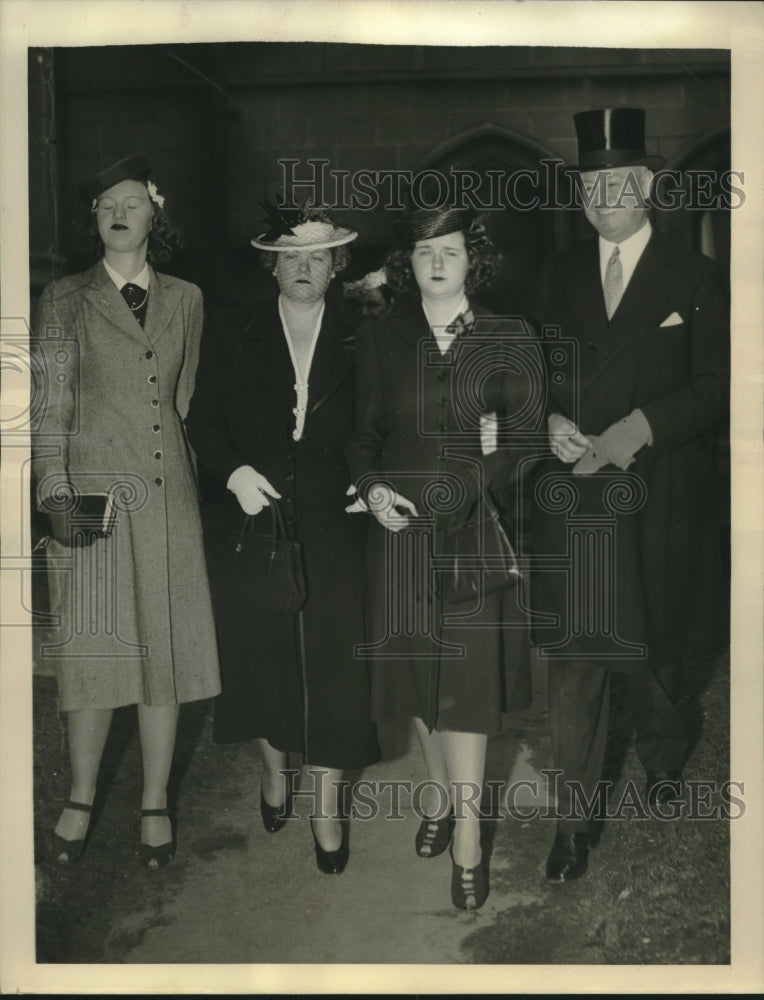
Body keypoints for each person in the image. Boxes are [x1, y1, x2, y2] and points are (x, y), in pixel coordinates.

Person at [529, 108, 729, 882]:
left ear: (647, 187)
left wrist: (633, 430)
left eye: (617, 182)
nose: (602, 195)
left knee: (657, 648)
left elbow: (716, 386)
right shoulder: (556, 275)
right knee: (579, 659)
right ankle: (572, 824)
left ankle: (665, 755)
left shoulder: (696, 278)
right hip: (577, 496)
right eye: (589, 184)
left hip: (661, 494)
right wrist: (546, 420)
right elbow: (533, 370)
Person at [345, 206, 539, 910]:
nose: (435, 261)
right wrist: (373, 492)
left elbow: (523, 443)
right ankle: (436, 793)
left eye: (449, 250)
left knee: (467, 690)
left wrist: (467, 485)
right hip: (399, 537)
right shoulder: (378, 337)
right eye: (424, 250)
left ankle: (467, 833)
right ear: (408, 263)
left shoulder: (510, 336)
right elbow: (361, 439)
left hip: (472, 538)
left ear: (472, 260)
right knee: (416, 686)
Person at [32, 154, 221, 868]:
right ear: (95, 219)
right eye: (105, 202)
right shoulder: (64, 299)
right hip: (90, 500)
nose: (117, 211)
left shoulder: (188, 299)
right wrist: (54, 495)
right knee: (92, 648)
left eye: (132, 202)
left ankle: (154, 800)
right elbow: (48, 407)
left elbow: (185, 399)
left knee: (162, 650)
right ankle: (80, 796)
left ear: (155, 216)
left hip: (167, 501)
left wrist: (188, 483)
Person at [185, 203, 380, 875]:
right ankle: (275, 771)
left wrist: (370, 476)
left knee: (336, 669)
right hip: (257, 516)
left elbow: (381, 420)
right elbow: (202, 423)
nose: (304, 268)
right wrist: (235, 473)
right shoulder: (233, 330)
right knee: (263, 657)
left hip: (337, 520)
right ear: (272, 263)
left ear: (336, 267)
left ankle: (326, 807)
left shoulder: (364, 335)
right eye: (291, 256)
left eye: (318, 256)